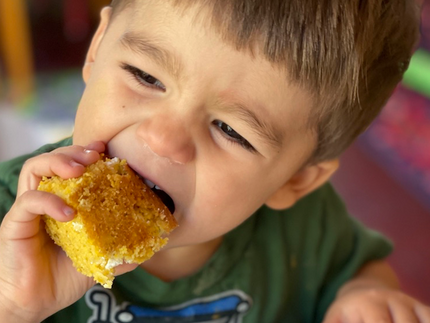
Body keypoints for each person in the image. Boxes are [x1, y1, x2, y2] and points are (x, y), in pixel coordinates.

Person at [0, 0, 429, 322]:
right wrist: (14, 307)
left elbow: (357, 268)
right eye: (145, 76)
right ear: (97, 49)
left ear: (293, 181)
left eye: (231, 130)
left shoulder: (307, 229)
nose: (164, 139)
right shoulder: (14, 227)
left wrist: (367, 295)